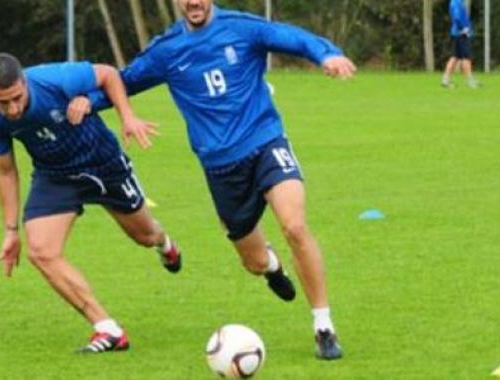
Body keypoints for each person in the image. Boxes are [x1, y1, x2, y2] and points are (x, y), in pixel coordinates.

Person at [81, 0, 355, 360]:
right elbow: (123, 82)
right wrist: (84, 101)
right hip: (221, 169)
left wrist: (326, 55)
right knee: (253, 262)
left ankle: (323, 326)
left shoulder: (242, 28)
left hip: (265, 143)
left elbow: (293, 38)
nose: (193, 2)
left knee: (294, 226)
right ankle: (272, 266)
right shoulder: (167, 51)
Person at [0, 53, 182, 354]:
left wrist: (126, 116)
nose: (12, 109)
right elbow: (6, 172)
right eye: (3, 103)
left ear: (25, 82)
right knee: (41, 252)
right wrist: (10, 231)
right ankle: (107, 329)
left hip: (103, 164)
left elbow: (109, 75)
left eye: (16, 98)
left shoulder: (57, 79)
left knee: (144, 235)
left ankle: (164, 243)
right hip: (55, 176)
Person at [442, 0, 481, 88]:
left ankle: (446, 79)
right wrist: (464, 28)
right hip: (461, 34)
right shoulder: (456, 2)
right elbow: (457, 17)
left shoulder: (457, 2)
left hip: (458, 33)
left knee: (455, 57)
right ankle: (469, 80)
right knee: (466, 57)